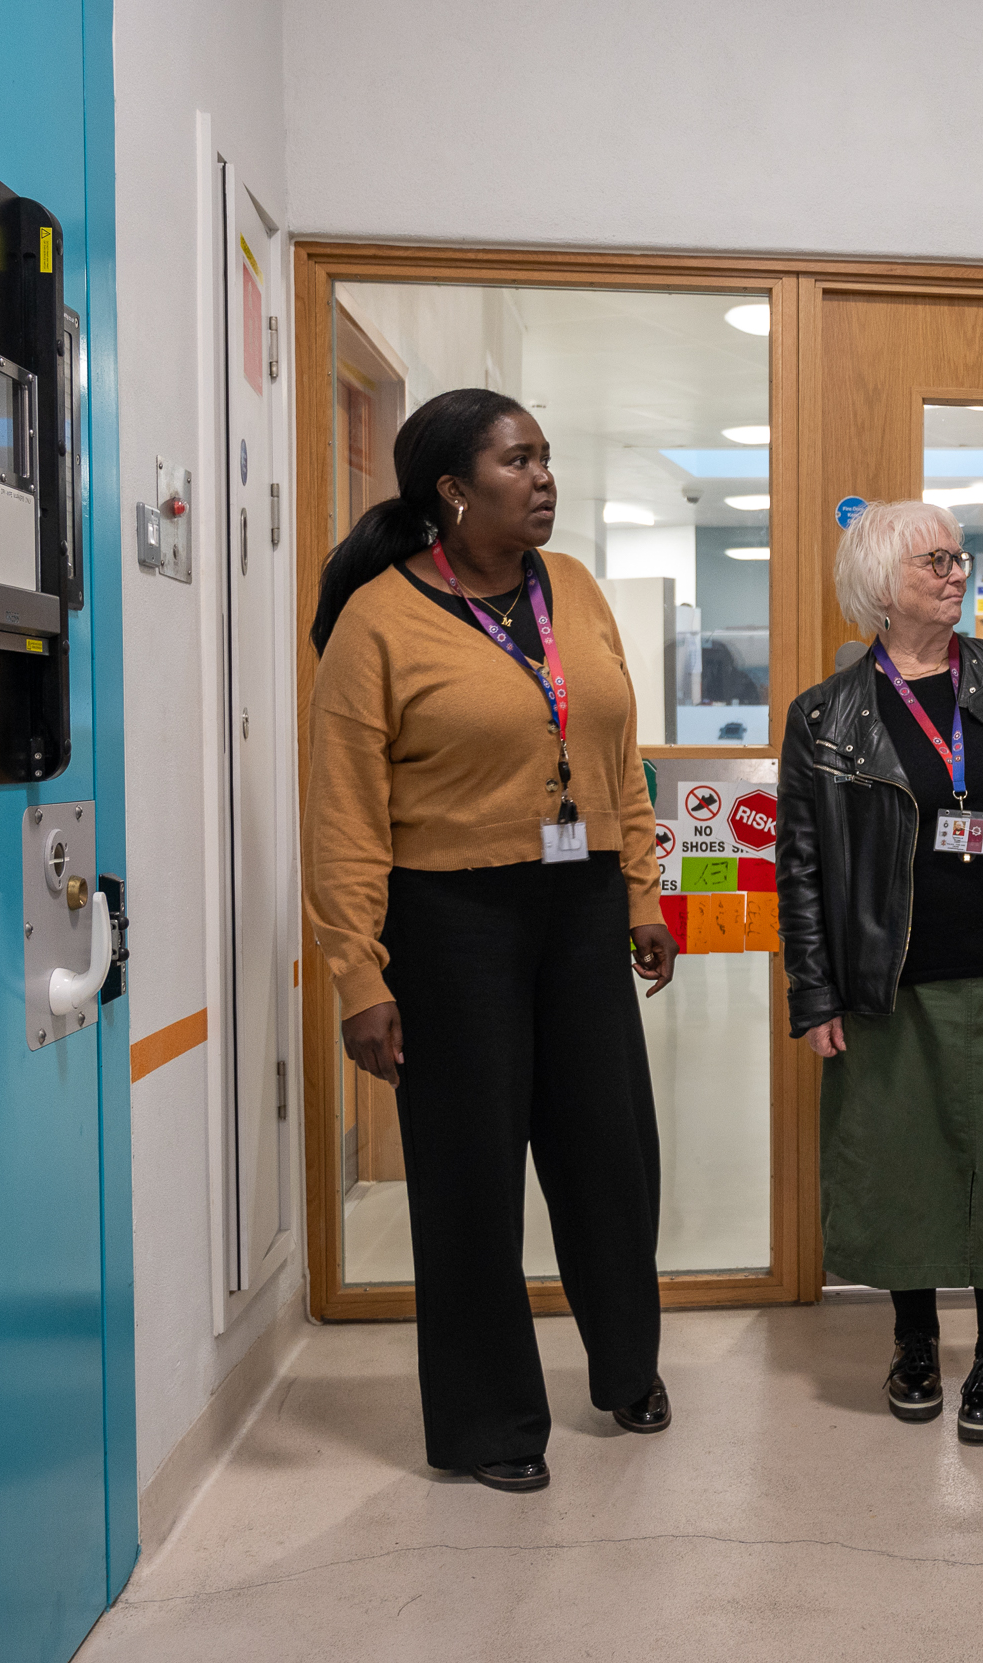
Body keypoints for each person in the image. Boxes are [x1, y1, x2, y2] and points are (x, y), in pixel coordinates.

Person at [304, 387, 678, 1493]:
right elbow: (343, 815)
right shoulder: (378, 619)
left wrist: (644, 895)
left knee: (611, 1154)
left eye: (548, 457)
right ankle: (489, 1422)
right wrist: (357, 974)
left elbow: (619, 759)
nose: (544, 478)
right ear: (452, 493)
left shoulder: (574, 590)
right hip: (449, 921)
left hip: (581, 903)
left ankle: (626, 1368)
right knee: (468, 1177)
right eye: (519, 461)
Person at [776, 501, 983, 1445]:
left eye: (961, 559)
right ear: (883, 584)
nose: (959, 574)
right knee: (901, 1163)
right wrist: (812, 989)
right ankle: (915, 1339)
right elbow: (797, 865)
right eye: (937, 561)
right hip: (888, 977)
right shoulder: (826, 715)